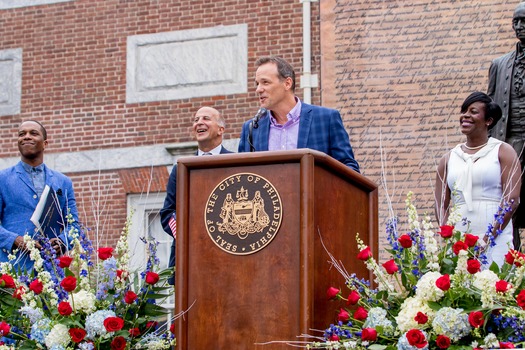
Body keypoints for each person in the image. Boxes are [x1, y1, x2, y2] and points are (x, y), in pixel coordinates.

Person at [434, 92, 521, 267]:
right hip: (460, 235)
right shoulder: (448, 159)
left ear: (488, 120)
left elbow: (511, 200)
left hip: (495, 232)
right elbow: (440, 203)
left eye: (473, 112)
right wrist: (449, 237)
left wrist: (488, 238)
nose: (465, 115)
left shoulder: (503, 151)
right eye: (464, 111)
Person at [237, 56, 360, 173]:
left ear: (287, 83)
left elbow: (349, 169)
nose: (258, 89)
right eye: (257, 83)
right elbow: (242, 175)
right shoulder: (251, 129)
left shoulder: (326, 119)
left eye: (265, 82)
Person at [160, 106, 233, 284]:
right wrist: (188, 233)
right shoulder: (181, 168)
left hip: (228, 260)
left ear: (220, 129)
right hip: (189, 260)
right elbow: (167, 213)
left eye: (206, 118)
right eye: (196, 120)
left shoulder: (235, 164)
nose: (199, 122)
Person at [0, 120, 80, 271]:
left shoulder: (63, 182)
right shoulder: (2, 179)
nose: (26, 137)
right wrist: (14, 240)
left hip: (51, 273)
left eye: (33, 133)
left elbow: (74, 225)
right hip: (13, 270)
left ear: (45, 143)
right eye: (22, 134)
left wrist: (62, 242)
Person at [487, 2, 525, 250]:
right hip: (510, 144)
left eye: (524, 21)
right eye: (516, 21)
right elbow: (489, 112)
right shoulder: (500, 65)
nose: (519, 26)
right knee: (509, 206)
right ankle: (512, 271)